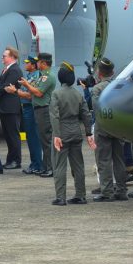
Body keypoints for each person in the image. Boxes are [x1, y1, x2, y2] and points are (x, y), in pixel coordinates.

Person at [49, 62, 96, 205]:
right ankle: (81, 195)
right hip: (76, 131)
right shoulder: (77, 94)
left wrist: (57, 134)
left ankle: (61, 197)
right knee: (78, 165)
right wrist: (88, 133)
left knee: (59, 166)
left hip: (62, 131)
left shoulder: (56, 94)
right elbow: (86, 114)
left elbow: (54, 115)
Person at [90, 58, 128, 202]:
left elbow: (96, 109)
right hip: (118, 127)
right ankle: (122, 190)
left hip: (103, 128)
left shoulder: (97, 89)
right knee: (119, 159)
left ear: (99, 73)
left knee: (104, 160)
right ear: (112, 72)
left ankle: (107, 192)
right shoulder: (119, 86)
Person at [18, 52, 55, 177]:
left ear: (43, 63)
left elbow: (38, 93)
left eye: (38, 62)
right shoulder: (43, 76)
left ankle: (49, 168)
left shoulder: (47, 76)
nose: (36, 63)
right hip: (38, 109)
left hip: (43, 109)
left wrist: (26, 85)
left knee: (46, 140)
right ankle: (45, 167)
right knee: (43, 140)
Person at [6, 56, 42, 174]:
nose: (25, 65)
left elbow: (30, 95)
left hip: (31, 109)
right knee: (30, 139)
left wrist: (15, 91)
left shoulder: (36, 77)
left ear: (33, 65)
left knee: (34, 138)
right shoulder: (29, 77)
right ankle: (34, 163)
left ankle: (37, 164)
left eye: (28, 63)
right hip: (26, 109)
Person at [0, 46, 23, 169]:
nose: (2, 57)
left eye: (4, 56)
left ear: (12, 57)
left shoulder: (14, 70)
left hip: (11, 108)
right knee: (8, 135)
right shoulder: (6, 69)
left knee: (13, 135)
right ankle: (10, 160)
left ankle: (16, 160)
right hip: (5, 107)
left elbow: (5, 87)